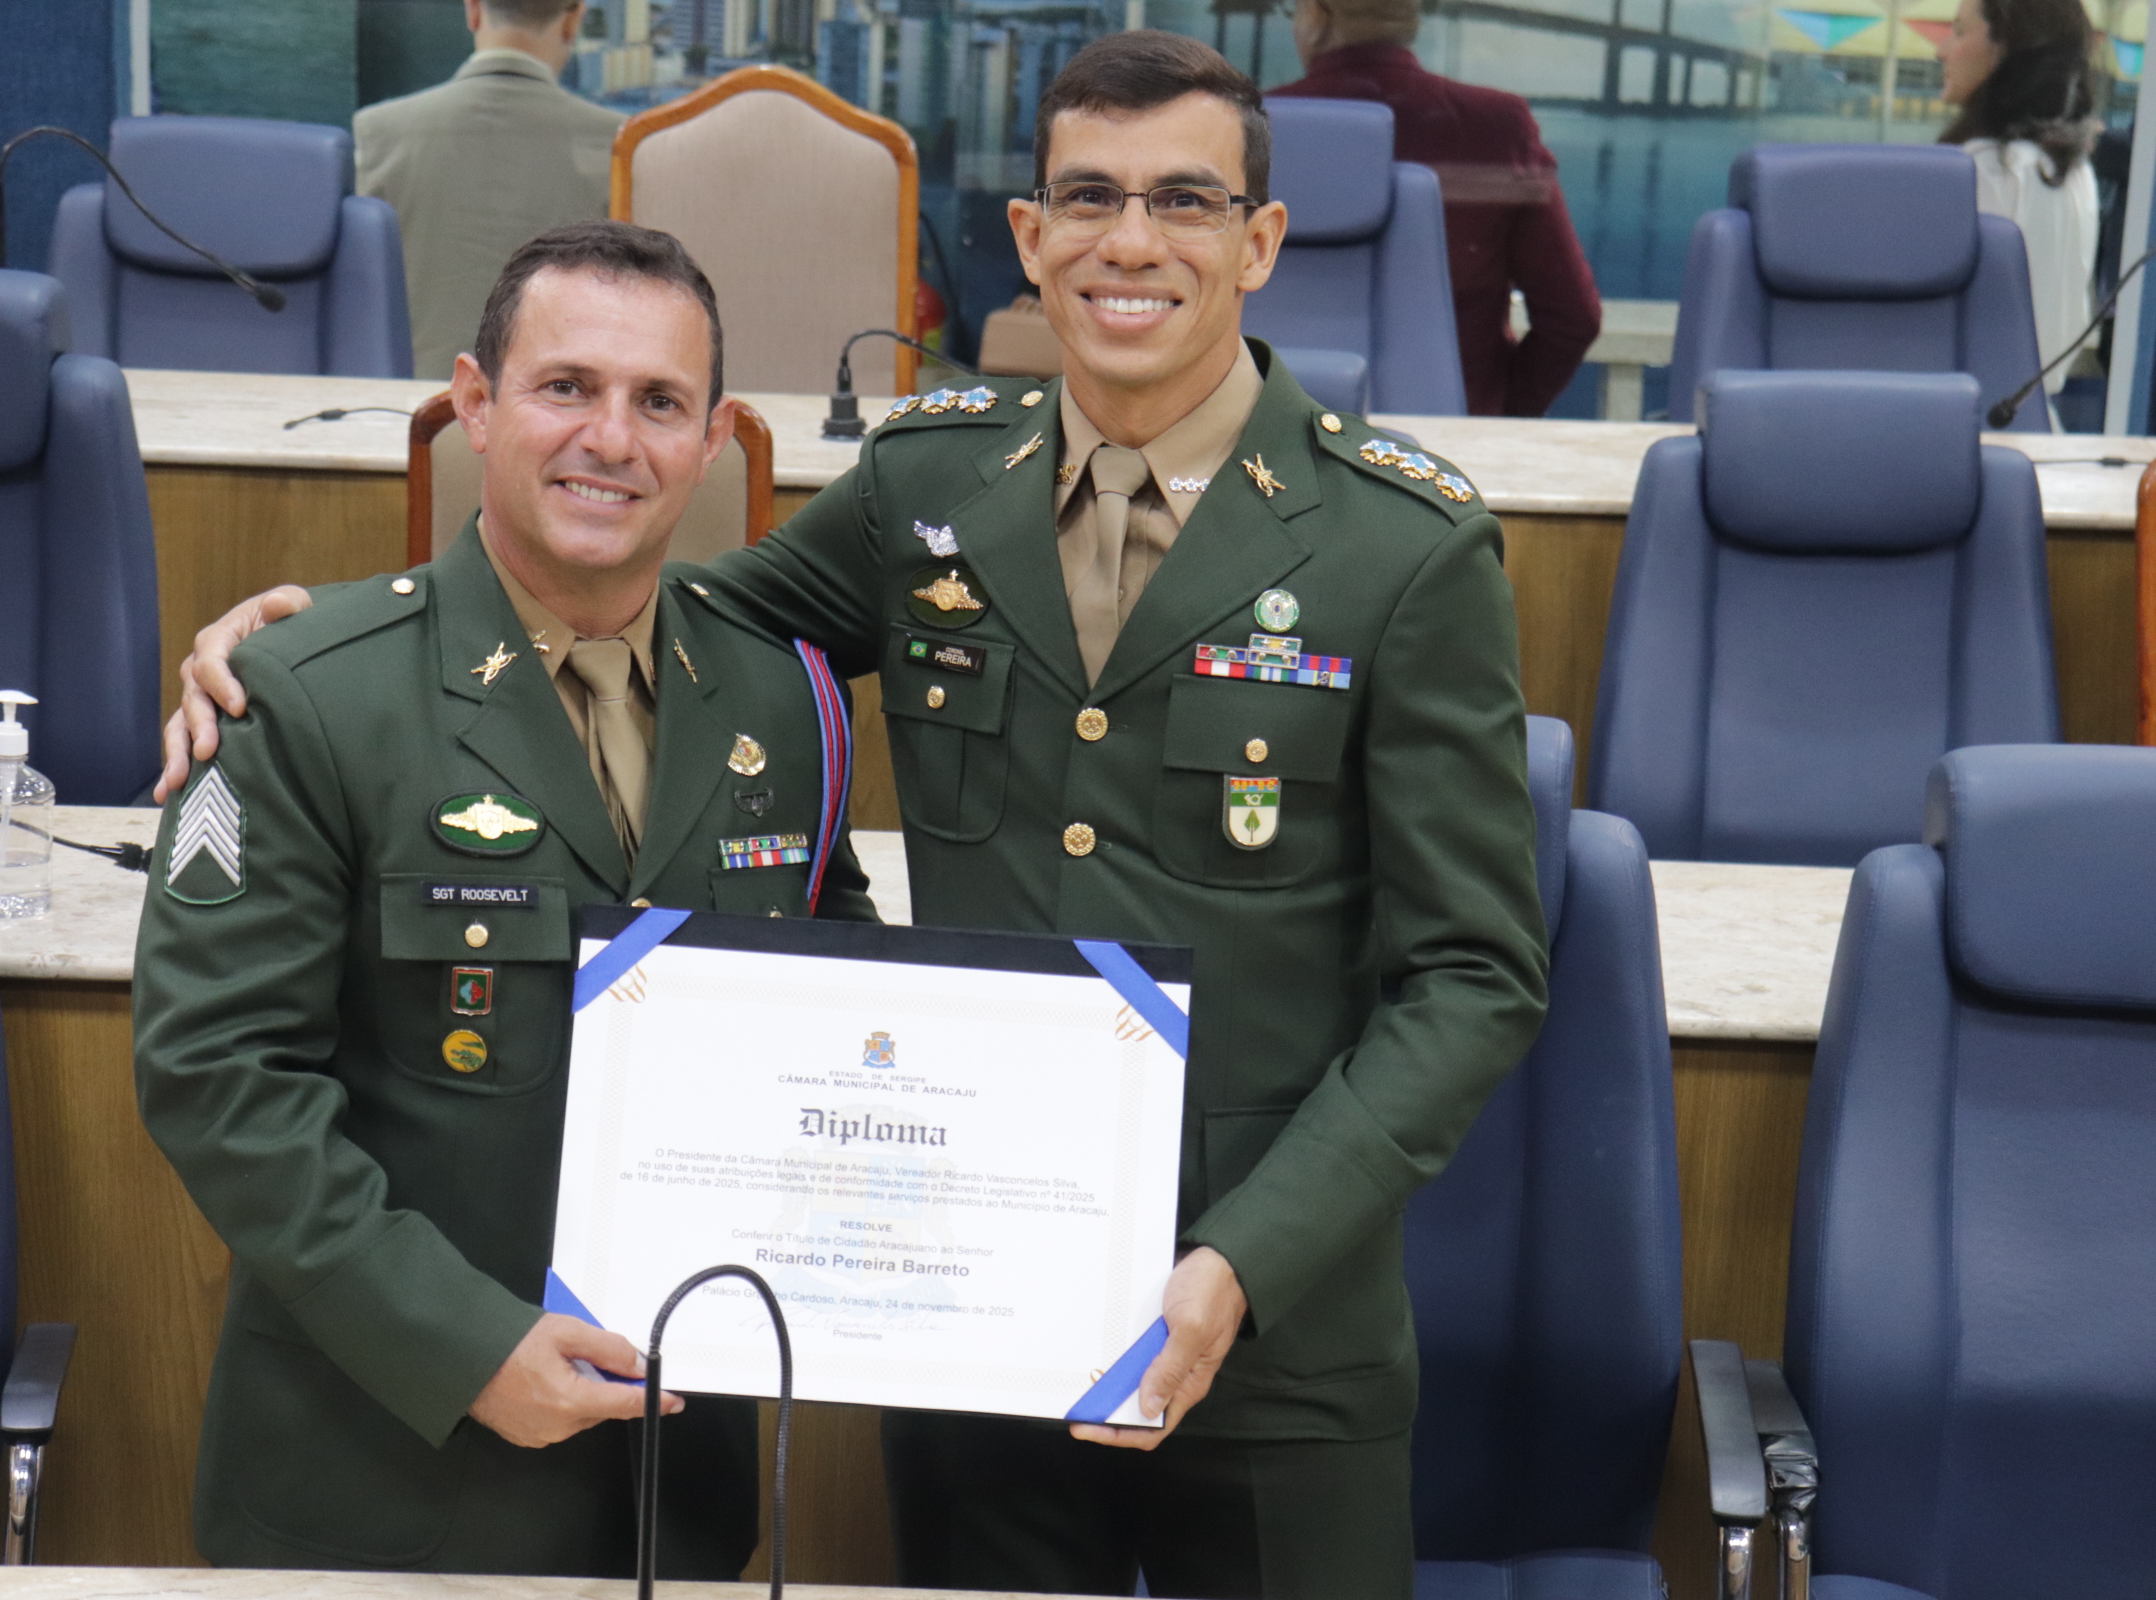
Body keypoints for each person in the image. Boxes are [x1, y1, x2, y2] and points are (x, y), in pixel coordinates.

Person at [164, 33, 1548, 1598]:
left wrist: (1244, 1261)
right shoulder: (932, 488)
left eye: (1185, 200)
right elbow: (644, 604)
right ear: (1028, 235)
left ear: (1262, 240)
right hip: (974, 1313)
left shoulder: (1402, 546)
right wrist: (312, 648)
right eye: (1087, 196)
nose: (1132, 241)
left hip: (1274, 1332)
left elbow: (1474, 977)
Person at [134, 221, 874, 1573]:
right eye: (566, 387)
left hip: (671, 1491)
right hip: (381, 1483)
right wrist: (467, 1349)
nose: (612, 438)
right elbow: (219, 1078)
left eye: (660, 402)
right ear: (474, 404)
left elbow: (845, 1003)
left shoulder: (786, 700)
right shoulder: (307, 694)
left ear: (715, 439)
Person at [1273, 0, 1603, 418]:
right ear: (1410, 19)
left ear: (1317, 17)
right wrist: (1493, 412)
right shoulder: (1498, 127)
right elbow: (1573, 317)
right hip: (1448, 442)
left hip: (1282, 433)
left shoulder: (1253, 129)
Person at [356, 0, 625, 379]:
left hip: (407, 402)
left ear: (473, 10)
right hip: (557, 405)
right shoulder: (619, 145)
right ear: (573, 19)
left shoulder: (377, 133)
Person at [1936, 0, 2100, 407]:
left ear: (2006, 48)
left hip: (1969, 420)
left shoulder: (1986, 170)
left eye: (1960, 31)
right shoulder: (2074, 173)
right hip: (2038, 419)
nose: (1942, 50)